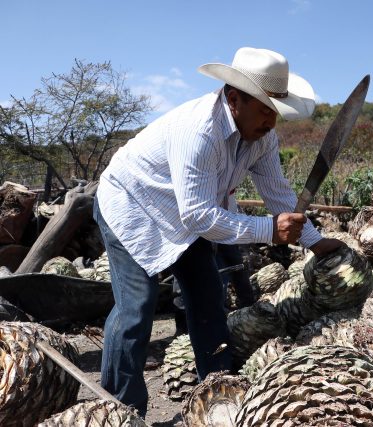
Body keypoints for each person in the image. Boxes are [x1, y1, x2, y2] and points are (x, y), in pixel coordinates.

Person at [93, 46, 344, 416]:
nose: (271, 123)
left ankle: (220, 392)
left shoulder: (262, 137)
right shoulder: (199, 132)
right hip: (133, 205)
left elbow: (276, 192)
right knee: (137, 306)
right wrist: (269, 231)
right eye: (263, 111)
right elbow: (198, 216)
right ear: (233, 98)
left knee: (208, 296)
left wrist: (314, 241)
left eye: (275, 114)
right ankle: (123, 409)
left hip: (188, 213)